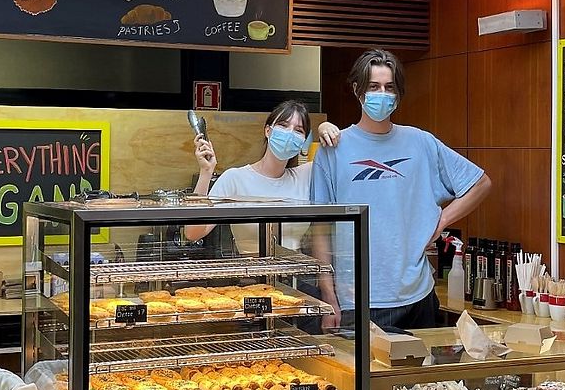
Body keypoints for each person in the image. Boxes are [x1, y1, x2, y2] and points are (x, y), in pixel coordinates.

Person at [310, 48, 491, 332]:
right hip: (356, 300)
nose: (382, 94)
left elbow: (480, 183)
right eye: (373, 87)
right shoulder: (333, 149)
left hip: (418, 295)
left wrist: (442, 220)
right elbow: (320, 230)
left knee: (421, 363)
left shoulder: (421, 142)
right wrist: (328, 296)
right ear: (357, 90)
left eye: (389, 87)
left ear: (398, 94)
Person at [184, 101, 339, 254]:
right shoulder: (235, 178)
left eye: (298, 130)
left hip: (296, 269)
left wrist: (324, 127)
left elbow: (340, 155)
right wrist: (206, 172)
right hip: (250, 268)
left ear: (303, 141)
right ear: (268, 131)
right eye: (283, 125)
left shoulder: (306, 175)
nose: (289, 133)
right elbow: (192, 232)